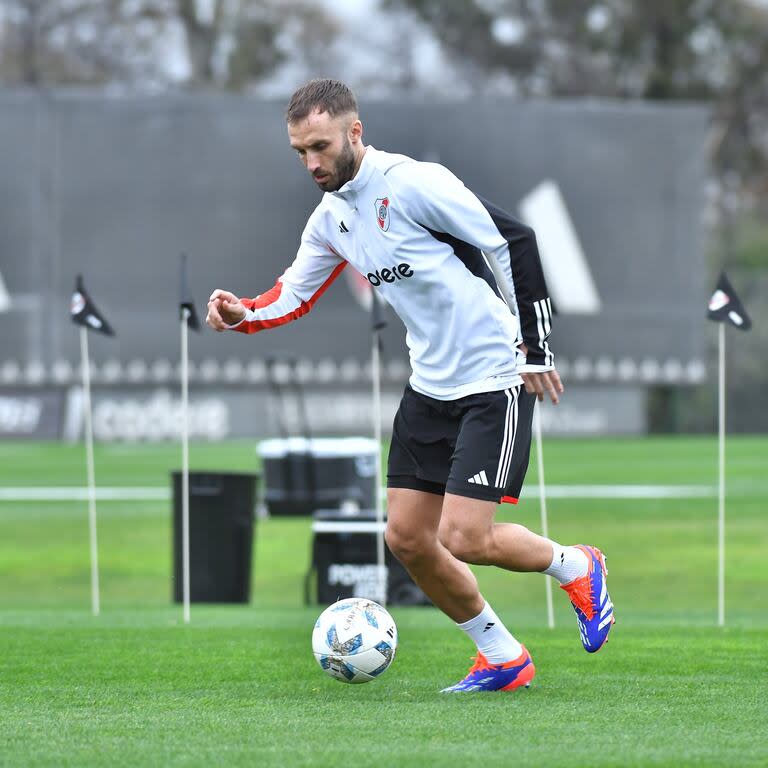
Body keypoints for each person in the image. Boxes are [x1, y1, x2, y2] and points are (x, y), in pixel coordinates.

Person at [207, 78, 614, 692]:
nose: (311, 163)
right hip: (429, 386)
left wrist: (536, 348)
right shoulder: (330, 219)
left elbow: (513, 240)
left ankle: (578, 566)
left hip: (494, 377)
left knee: (464, 537)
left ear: (354, 132)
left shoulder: (415, 183)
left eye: (319, 146)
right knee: (406, 538)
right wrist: (244, 313)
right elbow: (292, 294)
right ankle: (502, 656)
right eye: (299, 152)